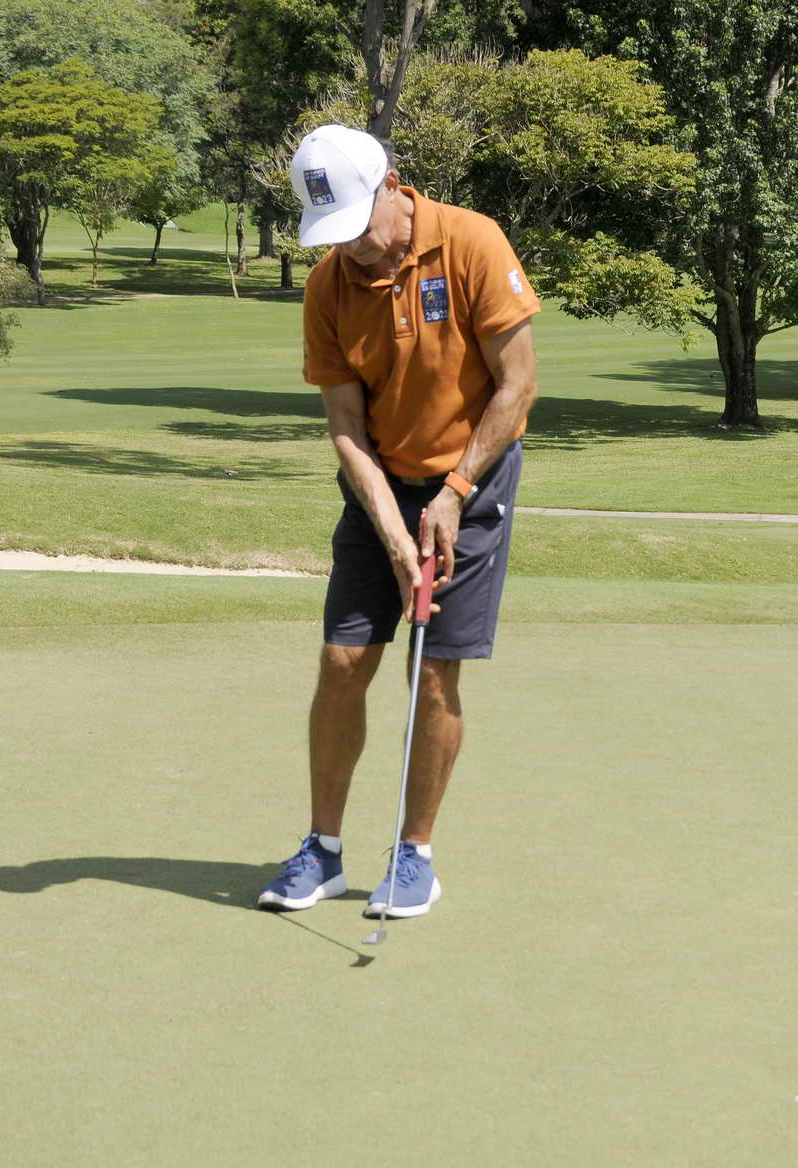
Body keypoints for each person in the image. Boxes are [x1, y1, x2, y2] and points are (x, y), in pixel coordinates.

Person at [256, 124, 540, 920]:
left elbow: (518, 385)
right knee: (342, 660)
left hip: (472, 483)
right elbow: (346, 423)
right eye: (335, 233)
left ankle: (415, 855)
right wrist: (388, 521)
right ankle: (322, 850)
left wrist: (453, 493)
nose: (354, 248)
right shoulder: (329, 286)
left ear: (391, 186)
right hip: (377, 484)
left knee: (433, 670)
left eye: (359, 226)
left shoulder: (471, 242)